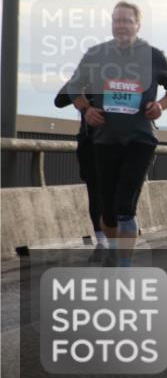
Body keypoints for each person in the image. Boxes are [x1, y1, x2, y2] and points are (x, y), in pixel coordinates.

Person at [65, 1, 167, 266]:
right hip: (105, 140)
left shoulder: (153, 55)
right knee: (107, 209)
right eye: (117, 21)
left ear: (137, 25)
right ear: (112, 24)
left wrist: (160, 105)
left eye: (127, 21)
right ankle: (113, 251)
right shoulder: (96, 54)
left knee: (124, 205)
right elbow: (73, 87)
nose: (121, 26)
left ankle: (124, 265)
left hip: (140, 140)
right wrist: (86, 110)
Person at [54, 84, 106, 258]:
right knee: (95, 191)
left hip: (119, 143)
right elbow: (59, 101)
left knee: (114, 193)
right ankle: (102, 243)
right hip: (90, 144)